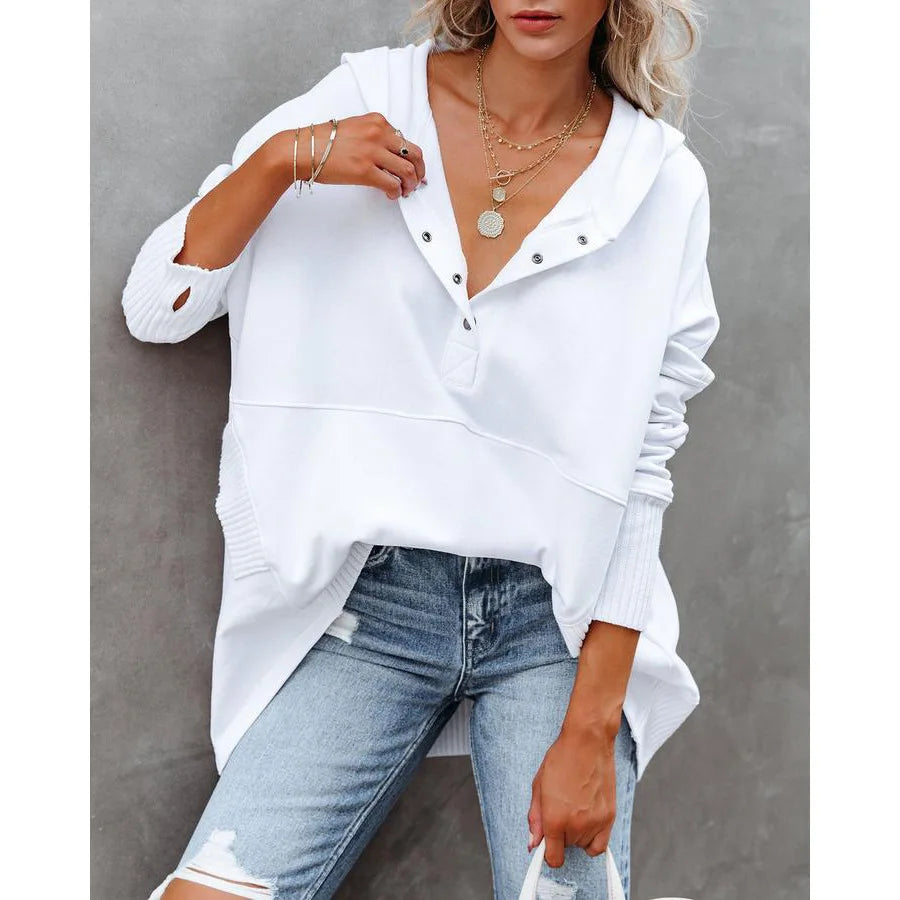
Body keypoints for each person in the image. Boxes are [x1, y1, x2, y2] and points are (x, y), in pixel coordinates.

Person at [123, 2, 720, 898]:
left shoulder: (658, 181)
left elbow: (644, 465)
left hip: (556, 623)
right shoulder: (368, 99)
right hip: (369, 608)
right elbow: (156, 307)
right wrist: (287, 160)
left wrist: (593, 730)